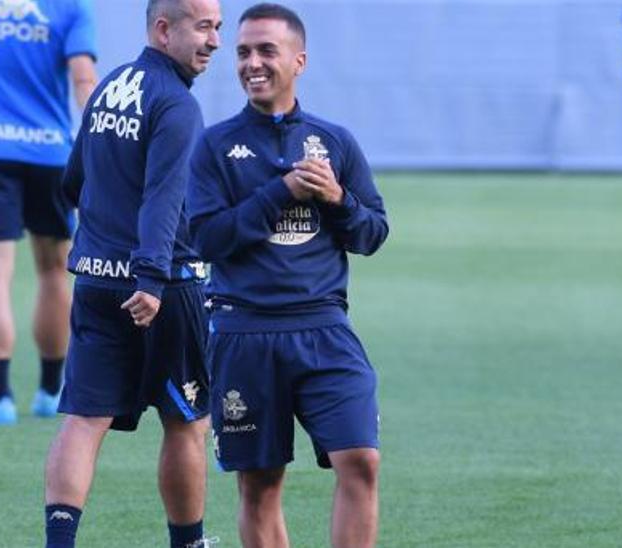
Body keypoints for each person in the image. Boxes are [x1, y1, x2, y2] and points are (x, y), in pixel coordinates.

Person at [187, 4, 389, 546]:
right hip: (243, 333)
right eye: (244, 52)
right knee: (259, 486)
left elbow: (372, 233)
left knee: (361, 462)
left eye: (266, 51)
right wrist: (282, 193)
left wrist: (336, 197)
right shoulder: (213, 146)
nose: (253, 63)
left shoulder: (336, 142)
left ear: (298, 61)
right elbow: (206, 239)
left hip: (325, 330)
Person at [42, 1, 222, 546]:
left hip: (95, 281)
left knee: (82, 419)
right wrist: (147, 279)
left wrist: (100, 246)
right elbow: (164, 200)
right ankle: (188, 543)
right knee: (186, 421)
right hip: (162, 287)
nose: (213, 40)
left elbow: (73, 179)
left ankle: (58, 543)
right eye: (202, 27)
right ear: (164, 30)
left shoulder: (110, 87)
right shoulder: (176, 105)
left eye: (218, 27)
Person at [0, 0, 99, 423]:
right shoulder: (70, 8)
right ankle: (50, 392)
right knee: (53, 272)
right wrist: (102, 132)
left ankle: (0, 400)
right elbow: (83, 77)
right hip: (51, 153)